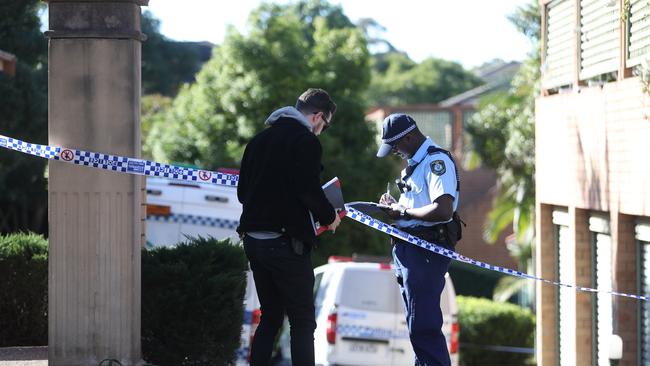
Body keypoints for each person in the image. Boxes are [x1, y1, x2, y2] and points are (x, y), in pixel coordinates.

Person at [237, 88, 342, 366]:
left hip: (254, 242)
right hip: (285, 244)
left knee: (270, 317)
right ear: (318, 116)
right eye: (325, 125)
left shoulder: (259, 140)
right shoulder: (305, 141)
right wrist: (329, 216)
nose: (322, 130)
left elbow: (242, 192)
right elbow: (308, 190)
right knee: (303, 322)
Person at [376, 113, 462, 366]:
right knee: (417, 325)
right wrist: (396, 207)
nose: (395, 153)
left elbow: (443, 210)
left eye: (396, 147)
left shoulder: (436, 161)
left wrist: (401, 212)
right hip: (410, 250)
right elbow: (416, 206)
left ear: (410, 137)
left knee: (423, 326)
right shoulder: (416, 164)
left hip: (425, 251)